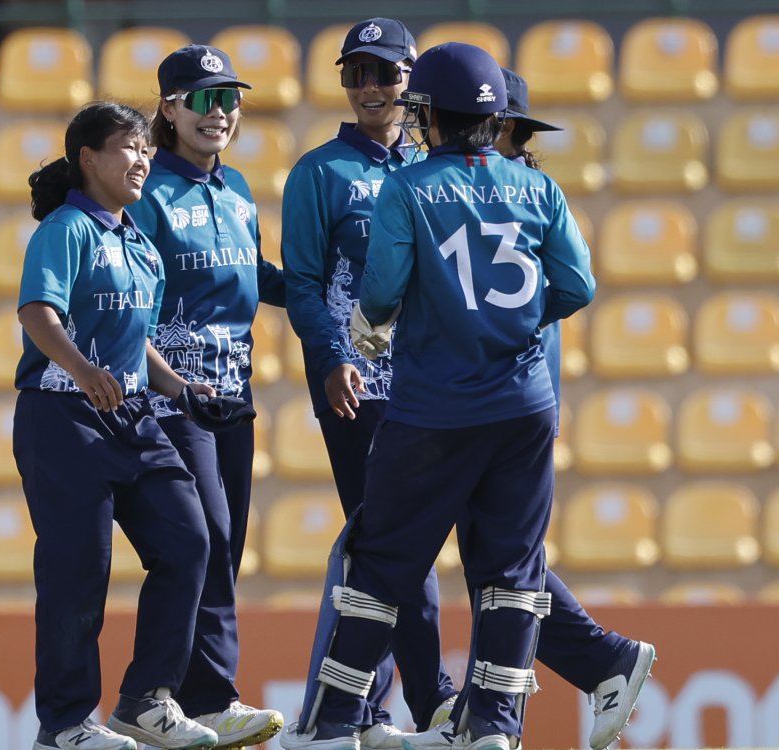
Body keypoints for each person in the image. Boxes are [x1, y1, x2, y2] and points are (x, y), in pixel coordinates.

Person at [281, 42, 600, 750]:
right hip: (522, 401)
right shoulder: (537, 187)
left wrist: (367, 333)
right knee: (511, 570)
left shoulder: (413, 185)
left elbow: (383, 294)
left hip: (433, 403)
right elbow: (578, 287)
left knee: (384, 558)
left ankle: (337, 719)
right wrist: (509, 323)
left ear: (431, 112)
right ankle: (493, 727)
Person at [412, 67, 658, 750]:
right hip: (507, 397)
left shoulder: (510, 201)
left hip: (486, 399)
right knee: (501, 559)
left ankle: (517, 706)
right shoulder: (519, 201)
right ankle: (504, 708)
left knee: (505, 564)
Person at [14, 102, 223, 750]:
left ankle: (146, 700)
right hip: (63, 417)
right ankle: (65, 724)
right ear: (88, 159)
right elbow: (37, 313)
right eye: (128, 148)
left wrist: (182, 390)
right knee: (80, 569)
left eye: (143, 149)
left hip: (130, 417)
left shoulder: (139, 242)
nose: (141, 160)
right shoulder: (66, 229)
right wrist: (81, 370)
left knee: (189, 540)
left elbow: (138, 347)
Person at [281, 17, 457, 748]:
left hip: (431, 384)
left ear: (411, 78)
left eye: (384, 73)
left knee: (397, 541)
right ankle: (425, 697)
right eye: (356, 74)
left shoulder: (433, 167)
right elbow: (303, 282)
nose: (369, 88)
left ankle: (373, 707)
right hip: (358, 386)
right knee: (390, 538)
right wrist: (328, 361)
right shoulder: (319, 172)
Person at [124, 44, 285, 750]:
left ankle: (191, 702)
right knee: (208, 536)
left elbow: (260, 277)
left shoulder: (239, 189)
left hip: (234, 395)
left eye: (230, 98)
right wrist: (172, 383)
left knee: (228, 544)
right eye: (203, 98)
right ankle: (207, 697)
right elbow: (125, 305)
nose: (220, 112)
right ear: (169, 108)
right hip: (172, 400)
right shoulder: (147, 191)